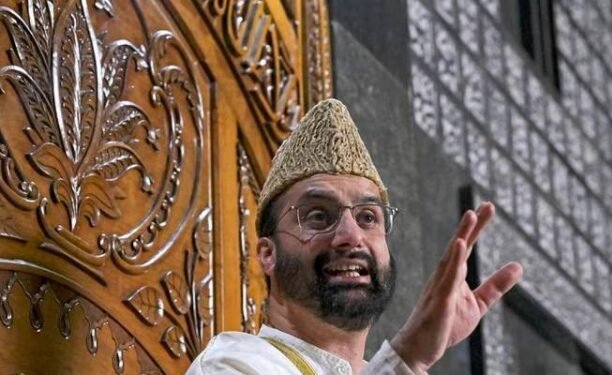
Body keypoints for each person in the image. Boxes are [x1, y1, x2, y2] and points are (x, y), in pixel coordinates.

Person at [186, 99, 523, 375]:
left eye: (367, 217)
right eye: (318, 215)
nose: (351, 236)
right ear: (267, 253)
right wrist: (406, 359)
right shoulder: (233, 364)